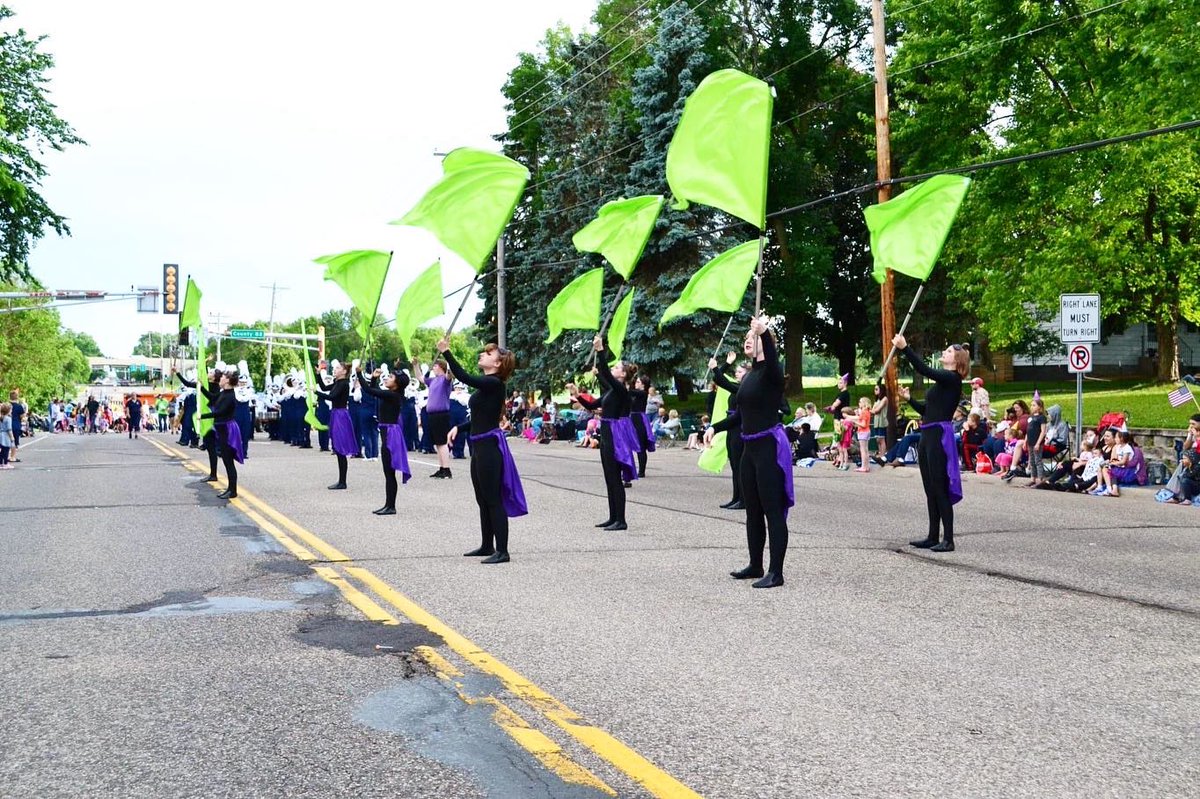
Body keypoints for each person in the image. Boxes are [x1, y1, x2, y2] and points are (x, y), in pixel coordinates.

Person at [705, 318, 792, 589]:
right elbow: (740, 415)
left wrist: (763, 332)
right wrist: (715, 428)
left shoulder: (772, 372)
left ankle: (776, 573)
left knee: (772, 510)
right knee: (752, 510)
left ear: (765, 342)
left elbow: (772, 359)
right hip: (749, 449)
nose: (747, 340)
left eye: (751, 338)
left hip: (768, 448)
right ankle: (756, 564)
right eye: (746, 338)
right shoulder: (750, 376)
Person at [439, 338, 525, 564]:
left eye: (488, 354)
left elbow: (464, 377)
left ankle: (502, 551)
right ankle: (487, 545)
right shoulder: (487, 385)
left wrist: (447, 352)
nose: (482, 355)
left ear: (497, 364)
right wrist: (459, 427)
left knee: (493, 498)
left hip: (489, 448)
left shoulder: (495, 383)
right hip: (478, 445)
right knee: (482, 498)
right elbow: (481, 418)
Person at [894, 335, 968, 553]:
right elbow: (927, 411)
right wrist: (909, 399)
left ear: (957, 360)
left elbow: (924, 369)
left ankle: (949, 539)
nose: (944, 352)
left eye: (948, 351)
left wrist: (905, 348)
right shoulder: (942, 383)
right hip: (927, 433)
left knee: (939, 486)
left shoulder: (952, 378)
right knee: (930, 488)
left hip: (938, 436)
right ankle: (932, 535)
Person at [572, 337, 637, 531]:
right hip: (607, 433)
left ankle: (621, 520)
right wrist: (577, 395)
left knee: (615, 478)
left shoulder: (621, 389)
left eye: (617, 367)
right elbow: (592, 405)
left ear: (623, 374)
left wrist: (600, 350)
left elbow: (606, 374)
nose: (613, 369)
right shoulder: (610, 391)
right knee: (609, 477)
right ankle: (613, 517)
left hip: (616, 436)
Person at [356, 364, 410, 515]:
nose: (387, 378)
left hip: (391, 434)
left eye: (391, 377)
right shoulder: (391, 394)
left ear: (397, 383)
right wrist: (374, 378)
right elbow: (374, 393)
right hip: (388, 432)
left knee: (389, 473)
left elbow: (369, 391)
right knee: (388, 473)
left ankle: (391, 506)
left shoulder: (393, 395)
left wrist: (359, 374)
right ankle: (388, 504)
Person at [708, 351, 746, 510]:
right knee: (734, 465)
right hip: (731, 428)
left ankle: (743, 499)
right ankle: (736, 497)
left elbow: (722, 381)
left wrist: (715, 368)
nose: (736, 374)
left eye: (740, 371)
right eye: (736, 371)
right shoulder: (737, 387)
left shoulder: (742, 388)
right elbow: (719, 379)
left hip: (739, 427)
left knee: (739, 465)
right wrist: (727, 363)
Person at [199, 367, 244, 499]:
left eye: (223, 377)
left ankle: (232, 490)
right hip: (222, 429)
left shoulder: (230, 396)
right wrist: (201, 387)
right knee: (226, 459)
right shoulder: (224, 393)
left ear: (228, 380)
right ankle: (230, 489)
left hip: (228, 430)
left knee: (228, 461)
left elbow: (220, 412)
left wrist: (203, 416)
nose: (221, 379)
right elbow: (212, 398)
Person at [314, 359, 356, 490]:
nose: (335, 370)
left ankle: (343, 481)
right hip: (336, 413)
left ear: (344, 371)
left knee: (340, 448)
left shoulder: (344, 384)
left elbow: (332, 397)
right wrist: (318, 374)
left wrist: (316, 392)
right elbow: (324, 387)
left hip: (340, 415)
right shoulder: (338, 382)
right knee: (338, 448)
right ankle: (341, 480)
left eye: (338, 368)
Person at [175, 367, 222, 481]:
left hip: (211, 418)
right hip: (205, 418)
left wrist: (201, 387)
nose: (208, 373)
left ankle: (214, 474)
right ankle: (213, 474)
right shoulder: (204, 384)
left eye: (211, 372)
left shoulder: (216, 387)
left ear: (214, 377)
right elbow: (187, 383)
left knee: (212, 448)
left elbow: (211, 398)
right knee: (210, 447)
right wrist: (177, 373)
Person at [416, 356, 454, 478]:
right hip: (432, 415)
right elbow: (420, 378)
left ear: (441, 367)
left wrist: (448, 361)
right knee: (438, 443)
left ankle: (446, 469)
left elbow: (450, 375)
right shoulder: (433, 380)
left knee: (442, 442)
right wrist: (415, 365)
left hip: (441, 414)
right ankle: (442, 468)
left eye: (436, 366)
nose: (433, 368)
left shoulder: (445, 380)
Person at [629, 375, 656, 478]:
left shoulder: (643, 393)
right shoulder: (635, 394)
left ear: (643, 385)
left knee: (641, 446)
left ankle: (641, 471)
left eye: (638, 382)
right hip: (632, 419)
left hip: (639, 420)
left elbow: (630, 391)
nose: (636, 383)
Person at [8, 390, 24, 462]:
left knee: (6, 441)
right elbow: (22, 416)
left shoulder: (6, 405)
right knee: (14, 442)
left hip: (6, 425)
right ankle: (13, 457)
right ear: (17, 397)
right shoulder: (19, 406)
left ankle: (6, 456)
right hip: (16, 425)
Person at [0, 402, 13, 469]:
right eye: (11, 409)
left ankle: (1, 463)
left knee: (2, 450)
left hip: (0, 435)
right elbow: (9, 429)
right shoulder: (8, 418)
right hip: (6, 436)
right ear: (8, 410)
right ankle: (5, 463)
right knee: (6, 450)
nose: (12, 411)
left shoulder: (1, 417)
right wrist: (12, 437)